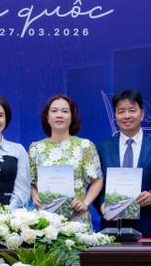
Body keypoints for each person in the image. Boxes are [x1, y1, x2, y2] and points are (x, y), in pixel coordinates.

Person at [95, 90, 151, 238]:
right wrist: (102, 205)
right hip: (111, 227)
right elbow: (96, 185)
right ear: (115, 116)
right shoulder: (102, 148)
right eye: (121, 111)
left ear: (142, 114)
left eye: (132, 110)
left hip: (147, 226)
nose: (126, 116)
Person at [29, 94, 103, 225]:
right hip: (45, 222)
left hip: (77, 221)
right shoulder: (36, 148)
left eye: (65, 111)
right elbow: (29, 182)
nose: (59, 115)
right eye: (54, 111)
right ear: (47, 117)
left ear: (72, 117)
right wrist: (34, 195)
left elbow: (97, 180)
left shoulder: (85, 146)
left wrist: (86, 202)